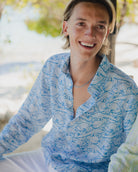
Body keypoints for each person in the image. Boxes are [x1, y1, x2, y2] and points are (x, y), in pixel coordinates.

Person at [0, 0, 137, 171]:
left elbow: (132, 150)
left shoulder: (125, 89)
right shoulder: (53, 67)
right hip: (48, 158)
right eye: (81, 24)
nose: (90, 33)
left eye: (100, 27)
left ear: (107, 32)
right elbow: (26, 121)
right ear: (66, 28)